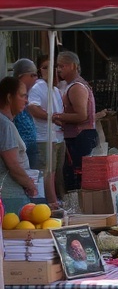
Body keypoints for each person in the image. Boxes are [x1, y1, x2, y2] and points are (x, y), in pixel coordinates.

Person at [52, 51, 97, 191]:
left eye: (62, 66)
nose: (58, 70)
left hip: (80, 138)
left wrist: (57, 116)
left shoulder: (76, 87)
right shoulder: (70, 85)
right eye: (57, 66)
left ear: (72, 66)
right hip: (77, 137)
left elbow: (81, 115)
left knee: (78, 177)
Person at [0, 76, 39, 217]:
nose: (26, 100)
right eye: (22, 96)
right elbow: (13, 166)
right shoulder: (5, 125)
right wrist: (30, 185)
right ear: (9, 97)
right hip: (10, 196)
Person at [28, 55, 64, 203]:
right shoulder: (38, 87)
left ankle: (57, 201)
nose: (51, 70)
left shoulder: (56, 90)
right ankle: (52, 203)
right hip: (43, 137)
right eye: (45, 67)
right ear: (40, 70)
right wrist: (51, 117)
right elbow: (33, 108)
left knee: (57, 172)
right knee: (47, 173)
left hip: (58, 137)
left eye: (53, 67)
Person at [11, 59, 39, 170]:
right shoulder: (13, 94)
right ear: (20, 76)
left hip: (31, 148)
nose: (36, 78)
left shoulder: (30, 92)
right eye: (32, 75)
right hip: (19, 151)